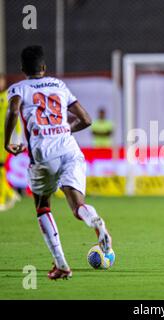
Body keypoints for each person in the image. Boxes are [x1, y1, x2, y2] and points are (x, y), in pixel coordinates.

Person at [4, 45, 113, 280]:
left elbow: (13, 111)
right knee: (77, 205)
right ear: (44, 67)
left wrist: (8, 142)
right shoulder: (59, 85)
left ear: (22, 68)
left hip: (44, 155)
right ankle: (95, 220)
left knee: (43, 206)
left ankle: (62, 264)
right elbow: (86, 119)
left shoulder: (18, 88)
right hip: (70, 149)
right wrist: (64, 131)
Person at [0, 74, 21, 210]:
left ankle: (2, 199)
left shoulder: (7, 96)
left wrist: (17, 138)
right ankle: (9, 192)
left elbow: (15, 116)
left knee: (0, 167)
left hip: (3, 138)